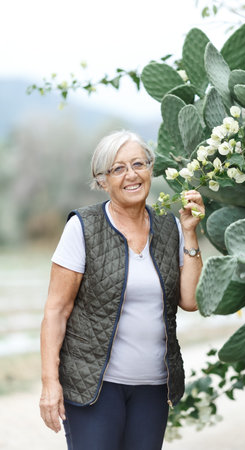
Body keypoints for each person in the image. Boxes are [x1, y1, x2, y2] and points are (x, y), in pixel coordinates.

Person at [39, 130, 205, 450]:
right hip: (94, 388)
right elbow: (55, 311)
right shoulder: (83, 227)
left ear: (150, 169)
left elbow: (190, 300)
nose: (131, 175)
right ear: (102, 180)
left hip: (153, 388)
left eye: (138, 164)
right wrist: (50, 383)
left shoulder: (169, 226)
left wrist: (190, 233)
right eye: (118, 168)